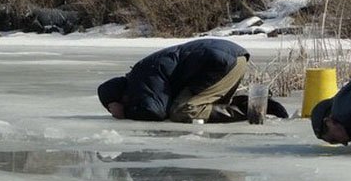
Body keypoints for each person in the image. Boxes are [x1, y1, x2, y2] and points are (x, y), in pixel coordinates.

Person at [97, 39, 287, 123]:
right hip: (228, 57)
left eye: (111, 106)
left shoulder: (141, 78)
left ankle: (253, 108)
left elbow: (155, 111)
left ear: (120, 96)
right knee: (204, 104)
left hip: (220, 63)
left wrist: (127, 113)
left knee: (184, 111)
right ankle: (250, 103)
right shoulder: (142, 73)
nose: (112, 111)